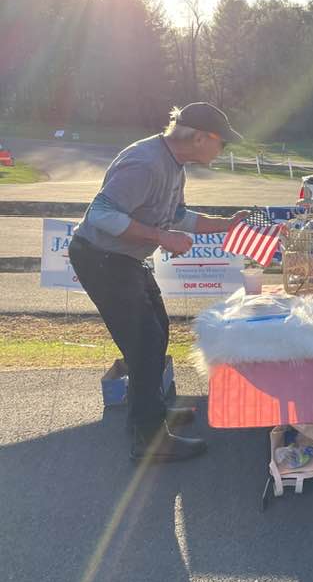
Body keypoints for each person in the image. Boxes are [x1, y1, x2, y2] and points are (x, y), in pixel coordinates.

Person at [69, 103, 249, 463]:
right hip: (102, 258)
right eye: (221, 143)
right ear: (199, 137)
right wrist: (161, 237)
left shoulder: (173, 165)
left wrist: (227, 224)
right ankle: (149, 439)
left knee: (156, 333)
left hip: (124, 259)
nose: (222, 150)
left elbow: (178, 215)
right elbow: (100, 214)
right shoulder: (145, 162)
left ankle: (149, 415)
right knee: (145, 343)